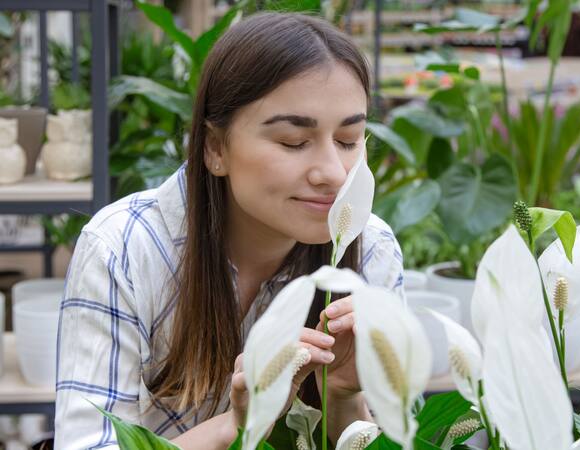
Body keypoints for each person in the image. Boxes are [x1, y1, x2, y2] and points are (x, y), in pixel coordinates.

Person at [54, 12, 404, 449]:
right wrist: (236, 426)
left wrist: (342, 397)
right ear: (215, 148)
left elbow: (405, 434)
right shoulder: (123, 250)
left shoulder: (370, 250)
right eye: (294, 142)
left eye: (349, 139)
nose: (334, 173)